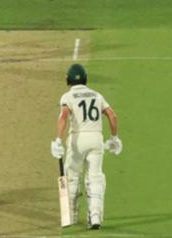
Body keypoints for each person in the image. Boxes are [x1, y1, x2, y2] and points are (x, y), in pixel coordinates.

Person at [50, 64, 122, 229]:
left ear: (68, 79)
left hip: (77, 139)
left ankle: (72, 215)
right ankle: (95, 216)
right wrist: (114, 138)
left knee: (73, 175)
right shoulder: (97, 95)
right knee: (95, 177)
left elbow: (64, 116)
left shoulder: (67, 97)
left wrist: (58, 140)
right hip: (96, 139)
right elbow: (112, 115)